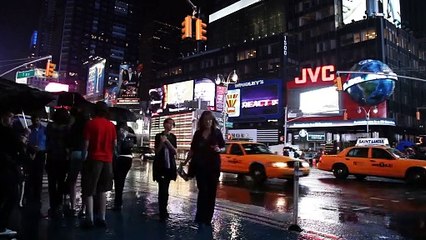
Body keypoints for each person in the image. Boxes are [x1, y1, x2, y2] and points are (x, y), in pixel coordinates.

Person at [180, 111, 225, 227]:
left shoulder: (217, 133)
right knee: (203, 192)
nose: (208, 122)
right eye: (206, 120)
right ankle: (200, 217)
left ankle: (207, 219)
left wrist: (218, 149)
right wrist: (185, 162)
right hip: (200, 167)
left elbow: (223, 147)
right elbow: (192, 150)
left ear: (212, 121)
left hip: (213, 167)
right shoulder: (198, 134)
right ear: (202, 122)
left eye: (210, 120)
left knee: (211, 193)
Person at [81, 101, 117, 228]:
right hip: (108, 161)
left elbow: (86, 143)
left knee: (89, 190)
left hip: (93, 159)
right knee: (102, 190)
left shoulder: (90, 124)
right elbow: (114, 144)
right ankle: (102, 218)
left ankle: (89, 219)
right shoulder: (111, 126)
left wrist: (83, 157)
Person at [0, 110, 28, 236]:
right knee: (12, 196)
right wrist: (25, 137)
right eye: (10, 117)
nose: (12, 120)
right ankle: (1, 226)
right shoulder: (7, 131)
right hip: (7, 168)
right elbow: (18, 146)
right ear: (3, 117)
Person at [46, 108, 70, 218]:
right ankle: (59, 204)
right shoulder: (67, 129)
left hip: (51, 157)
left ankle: (53, 205)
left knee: (51, 183)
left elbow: (47, 140)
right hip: (62, 158)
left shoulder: (50, 126)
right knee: (61, 181)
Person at [65, 107, 89, 216]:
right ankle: (83, 208)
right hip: (86, 154)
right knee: (85, 183)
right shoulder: (88, 126)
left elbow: (68, 142)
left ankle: (73, 206)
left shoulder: (72, 127)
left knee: (73, 182)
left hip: (74, 153)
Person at [153, 118, 177, 221]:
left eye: (172, 124)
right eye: (169, 123)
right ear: (164, 124)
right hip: (160, 166)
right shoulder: (158, 136)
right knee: (161, 188)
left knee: (166, 188)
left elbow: (175, 151)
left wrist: (167, 141)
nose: (170, 126)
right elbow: (157, 151)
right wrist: (162, 143)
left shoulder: (173, 137)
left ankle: (164, 209)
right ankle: (162, 210)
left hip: (169, 166)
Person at [112, 122, 136, 211]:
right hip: (128, 158)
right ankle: (118, 203)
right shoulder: (130, 130)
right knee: (121, 180)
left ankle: (117, 203)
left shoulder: (115, 129)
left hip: (118, 157)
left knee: (117, 180)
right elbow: (135, 142)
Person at [26, 115, 47, 210]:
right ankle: (30, 194)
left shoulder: (44, 129)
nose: (36, 122)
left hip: (41, 153)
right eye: (35, 120)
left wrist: (42, 149)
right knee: (31, 174)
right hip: (31, 152)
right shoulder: (28, 129)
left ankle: (37, 194)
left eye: (38, 120)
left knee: (39, 174)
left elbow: (46, 141)